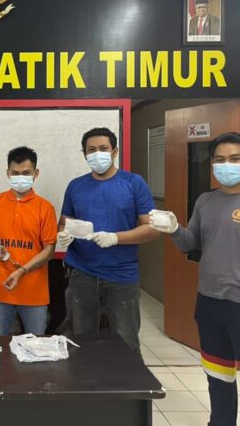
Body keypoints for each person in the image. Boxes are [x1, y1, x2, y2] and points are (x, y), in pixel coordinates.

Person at [149, 132, 240, 426]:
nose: (227, 165)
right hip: (209, 304)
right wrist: (174, 229)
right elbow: (191, 243)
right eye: (220, 159)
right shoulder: (206, 200)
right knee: (217, 379)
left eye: (235, 159)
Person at [57, 127, 158, 353]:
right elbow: (64, 222)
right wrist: (63, 234)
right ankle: (85, 376)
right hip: (81, 275)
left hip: (121, 277)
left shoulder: (134, 183)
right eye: (91, 150)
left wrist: (115, 238)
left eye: (103, 148)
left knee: (126, 342)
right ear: (84, 154)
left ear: (114, 151)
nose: (97, 154)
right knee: (80, 340)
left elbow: (152, 229)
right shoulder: (76, 186)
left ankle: (127, 376)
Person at [0, 146, 57, 335]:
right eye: (15, 173)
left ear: (36, 173)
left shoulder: (45, 208)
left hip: (34, 293)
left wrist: (22, 271)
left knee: (35, 346)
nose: (20, 177)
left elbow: (49, 250)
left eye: (26, 173)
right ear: (8, 173)